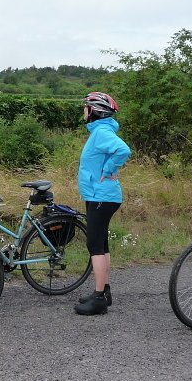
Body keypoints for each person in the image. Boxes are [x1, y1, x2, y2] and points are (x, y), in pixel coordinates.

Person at [75, 92, 131, 316]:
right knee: (102, 244)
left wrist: (108, 170)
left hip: (101, 196)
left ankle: (99, 299)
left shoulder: (101, 132)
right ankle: (104, 292)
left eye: (86, 107)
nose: (83, 111)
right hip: (100, 196)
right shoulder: (100, 131)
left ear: (95, 111)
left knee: (94, 246)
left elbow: (123, 150)